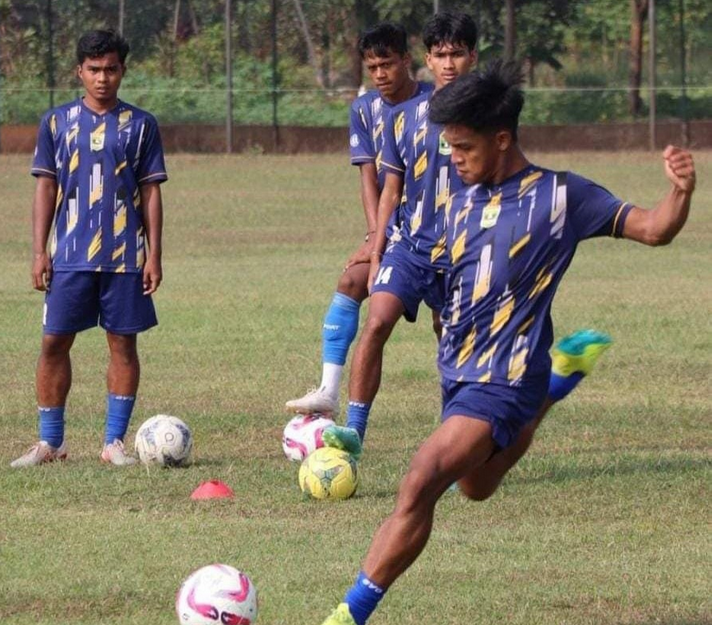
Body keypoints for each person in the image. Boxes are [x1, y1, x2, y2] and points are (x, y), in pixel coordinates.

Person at [318, 60, 695, 625]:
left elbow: (653, 228)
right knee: (476, 486)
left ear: (501, 139)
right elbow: (425, 261)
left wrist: (680, 191)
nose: (455, 159)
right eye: (449, 147)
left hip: (505, 378)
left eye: (464, 148)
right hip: (460, 376)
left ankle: (348, 614)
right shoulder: (456, 202)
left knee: (421, 479)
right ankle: (556, 384)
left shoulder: (563, 197)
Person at [324, 13, 612, 460]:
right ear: (427, 59)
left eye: (457, 53)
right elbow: (390, 190)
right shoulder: (403, 117)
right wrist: (377, 247)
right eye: (440, 55)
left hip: (464, 256)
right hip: (412, 247)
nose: (449, 63)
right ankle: (354, 433)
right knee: (378, 320)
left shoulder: (487, 121)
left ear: (473, 56)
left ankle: (457, 443)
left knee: (456, 349)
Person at [11, 29, 168, 468]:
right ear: (79, 71)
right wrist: (40, 250)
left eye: (111, 69)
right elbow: (46, 187)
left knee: (122, 343)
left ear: (123, 71)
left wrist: (153, 253)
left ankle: (113, 443)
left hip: (123, 257)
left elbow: (151, 192)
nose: (103, 78)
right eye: (94, 69)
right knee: (53, 342)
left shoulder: (141, 125)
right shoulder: (57, 123)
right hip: (70, 255)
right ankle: (50, 443)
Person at [285, 23, 432, 417]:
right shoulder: (364, 110)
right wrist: (374, 237)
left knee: (445, 325)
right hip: (391, 223)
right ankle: (329, 391)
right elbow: (371, 178)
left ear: (407, 60)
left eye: (387, 64)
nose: (380, 74)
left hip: (432, 223)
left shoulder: (435, 103)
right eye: (372, 67)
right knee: (352, 280)